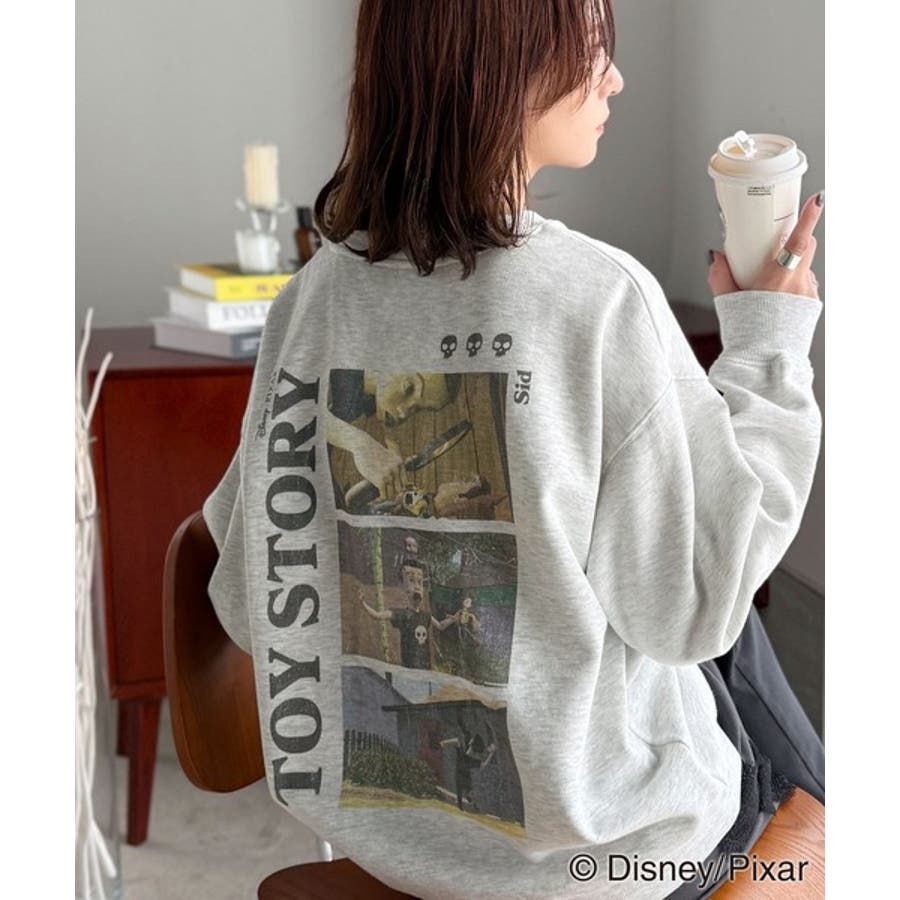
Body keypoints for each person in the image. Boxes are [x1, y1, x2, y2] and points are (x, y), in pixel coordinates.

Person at [201, 1, 824, 897]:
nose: (615, 79)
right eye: (594, 51)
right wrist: (767, 347)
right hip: (605, 865)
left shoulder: (312, 298)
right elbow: (695, 614)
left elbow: (242, 593)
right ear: (503, 68)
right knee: (733, 648)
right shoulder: (597, 299)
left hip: (397, 854)